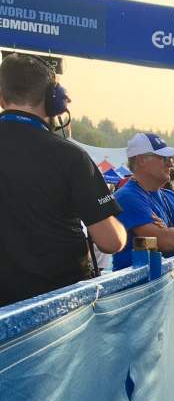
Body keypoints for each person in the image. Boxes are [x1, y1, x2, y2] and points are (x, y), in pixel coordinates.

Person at [0, 54, 127, 306]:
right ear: (53, 100)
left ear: (2, 98)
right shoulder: (71, 156)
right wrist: (121, 231)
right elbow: (110, 241)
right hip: (56, 309)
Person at [112, 133, 174, 270]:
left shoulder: (172, 197)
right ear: (141, 160)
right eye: (164, 158)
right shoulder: (126, 197)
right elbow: (166, 242)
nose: (171, 163)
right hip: (143, 283)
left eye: (171, 158)